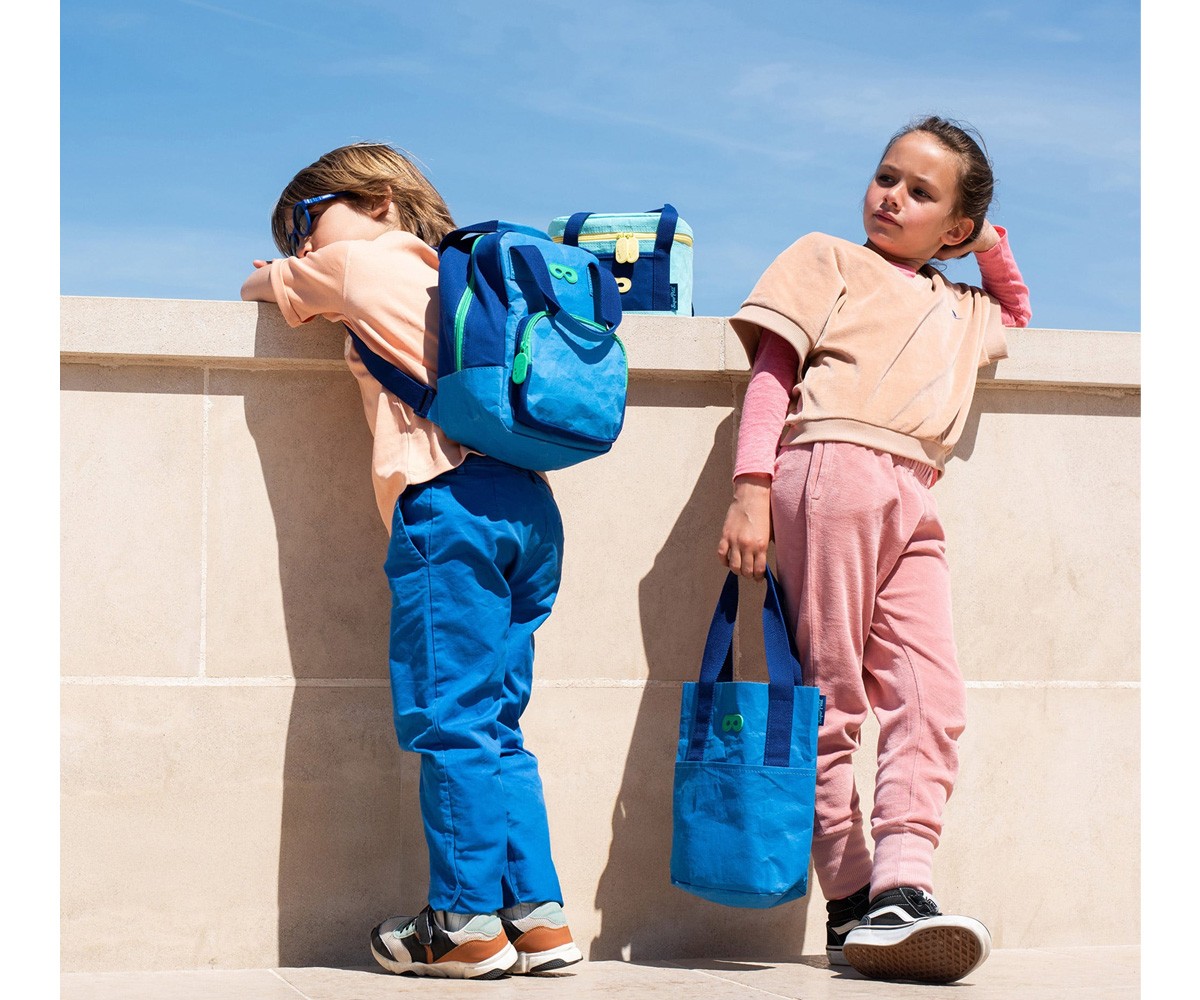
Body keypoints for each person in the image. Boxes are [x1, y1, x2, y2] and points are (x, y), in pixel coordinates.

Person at [241, 143, 583, 980]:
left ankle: (462, 923)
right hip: (528, 508)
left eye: (306, 219)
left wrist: (277, 272)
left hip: (448, 505)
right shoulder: (456, 278)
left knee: (450, 718)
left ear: (378, 199)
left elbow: (263, 289)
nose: (301, 244)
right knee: (498, 723)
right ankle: (536, 917)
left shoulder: (363, 264)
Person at [717, 116, 1031, 985]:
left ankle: (903, 882)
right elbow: (772, 373)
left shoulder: (962, 306)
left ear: (957, 227)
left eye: (921, 192)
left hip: (916, 491)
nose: (892, 197)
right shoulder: (826, 257)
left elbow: (1016, 309)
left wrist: (986, 242)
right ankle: (852, 894)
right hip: (831, 469)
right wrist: (750, 488)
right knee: (831, 696)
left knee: (933, 695)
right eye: (888, 176)